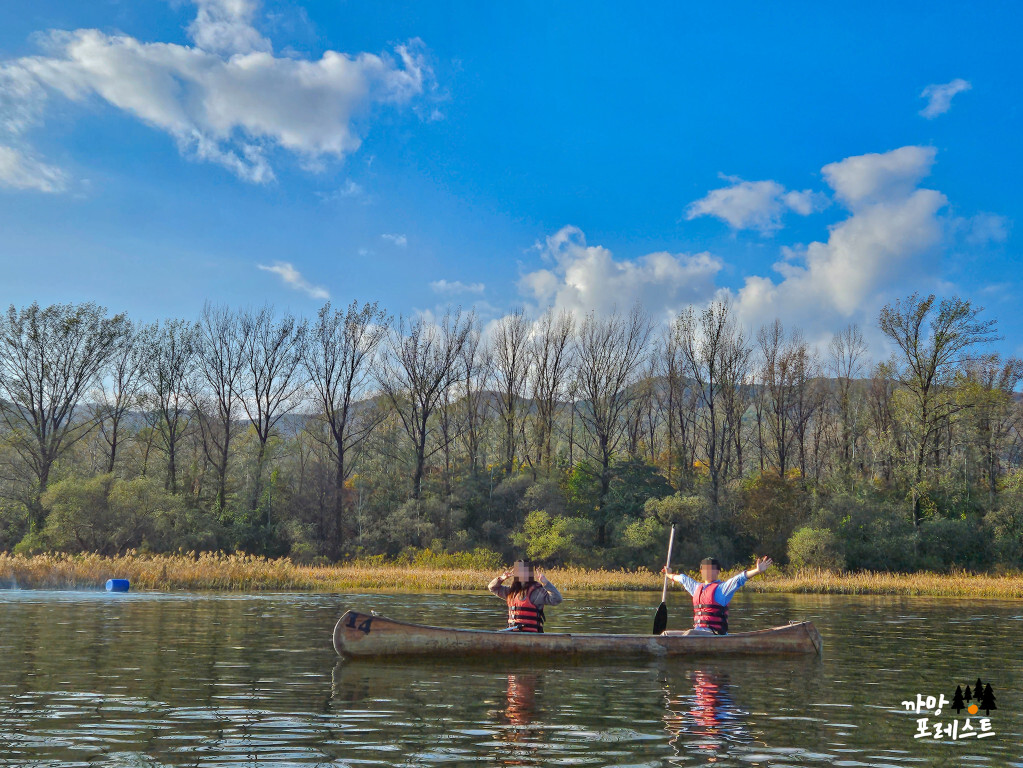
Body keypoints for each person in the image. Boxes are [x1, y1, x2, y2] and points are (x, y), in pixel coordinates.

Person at [662, 556, 773, 635]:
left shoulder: (722, 588)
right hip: (698, 632)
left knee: (689, 633)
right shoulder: (696, 587)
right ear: (701, 571)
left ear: (718, 572)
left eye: (712, 569)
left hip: (714, 634)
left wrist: (757, 571)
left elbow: (739, 579)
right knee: (666, 634)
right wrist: (668, 574)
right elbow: (681, 578)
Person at [488, 559, 563, 632]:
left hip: (532, 634)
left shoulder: (536, 592)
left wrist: (546, 583)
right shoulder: (511, 592)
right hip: (512, 633)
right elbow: (492, 587)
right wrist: (501, 579)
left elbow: (557, 599)